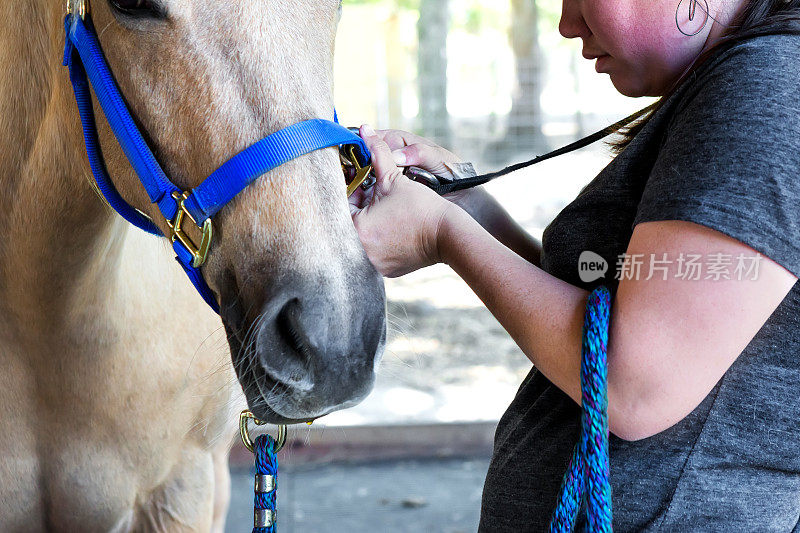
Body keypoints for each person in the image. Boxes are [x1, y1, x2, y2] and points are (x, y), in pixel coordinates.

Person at [349, 0, 800, 530]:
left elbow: (632, 387)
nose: (567, 23)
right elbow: (601, 314)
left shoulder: (768, 85)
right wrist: (464, 206)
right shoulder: (741, 78)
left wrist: (442, 234)